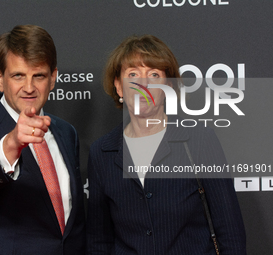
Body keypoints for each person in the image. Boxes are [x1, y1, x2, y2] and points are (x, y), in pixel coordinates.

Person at [86, 35, 246, 254]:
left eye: (154, 74)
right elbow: (99, 240)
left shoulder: (199, 141)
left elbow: (230, 231)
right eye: (133, 74)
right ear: (119, 87)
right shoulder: (102, 152)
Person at [0, 25, 85, 255]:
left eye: (38, 76)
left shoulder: (66, 132)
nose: (29, 88)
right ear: (0, 79)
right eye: (18, 75)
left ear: (53, 78)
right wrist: (12, 143)